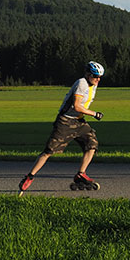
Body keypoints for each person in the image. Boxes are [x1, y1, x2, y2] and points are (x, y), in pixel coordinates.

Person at [18, 61, 105, 195]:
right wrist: (95, 114)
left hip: (79, 121)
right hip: (65, 122)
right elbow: (76, 106)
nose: (98, 79)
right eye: (95, 76)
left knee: (92, 143)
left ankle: (81, 174)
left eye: (100, 77)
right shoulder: (82, 83)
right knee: (49, 151)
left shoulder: (92, 85)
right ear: (87, 74)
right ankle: (29, 176)